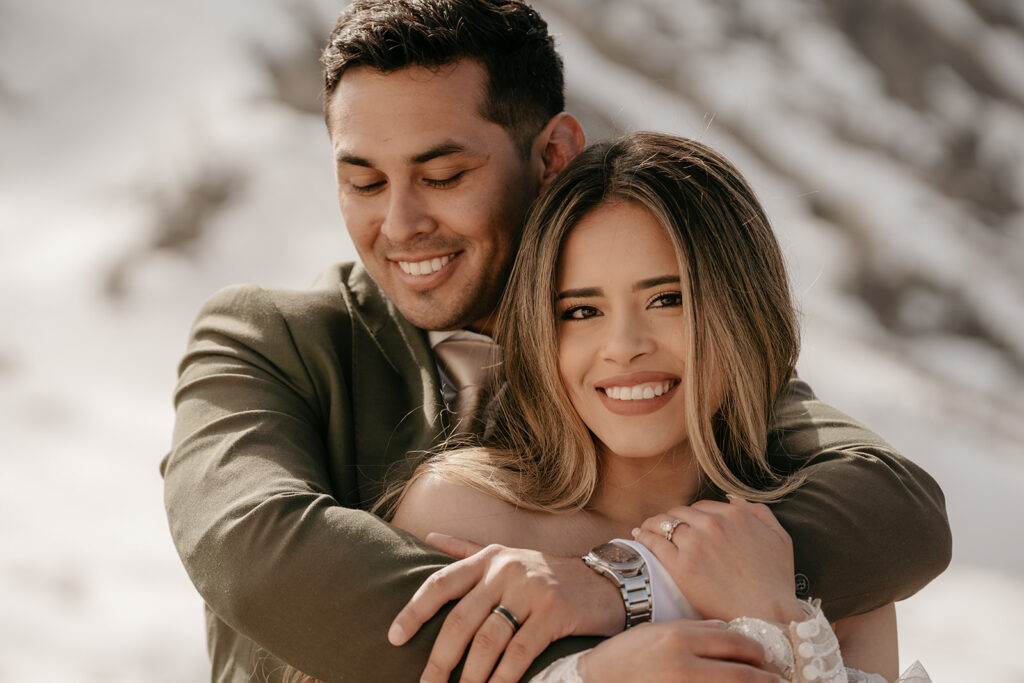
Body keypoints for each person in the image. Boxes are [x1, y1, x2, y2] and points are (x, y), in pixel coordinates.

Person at [160, 1, 950, 681]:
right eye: (363, 181)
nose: (398, 224)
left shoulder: (668, 366)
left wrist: (620, 584)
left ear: (552, 156)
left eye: (441, 175)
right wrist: (578, 666)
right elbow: (251, 548)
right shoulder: (272, 338)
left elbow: (897, 507)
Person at [386, 132, 930, 682]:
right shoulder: (463, 518)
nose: (624, 345)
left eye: (667, 299)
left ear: (742, 310)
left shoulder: (823, 562)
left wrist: (775, 618)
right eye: (580, 311)